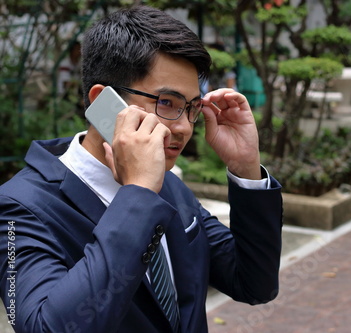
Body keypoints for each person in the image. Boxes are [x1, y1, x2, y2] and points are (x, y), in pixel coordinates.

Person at [0, 5, 283, 333]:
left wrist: (245, 166)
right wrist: (138, 194)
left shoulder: (170, 185)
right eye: (166, 103)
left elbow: (255, 284)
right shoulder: (17, 208)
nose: (184, 128)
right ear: (102, 102)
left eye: (191, 107)